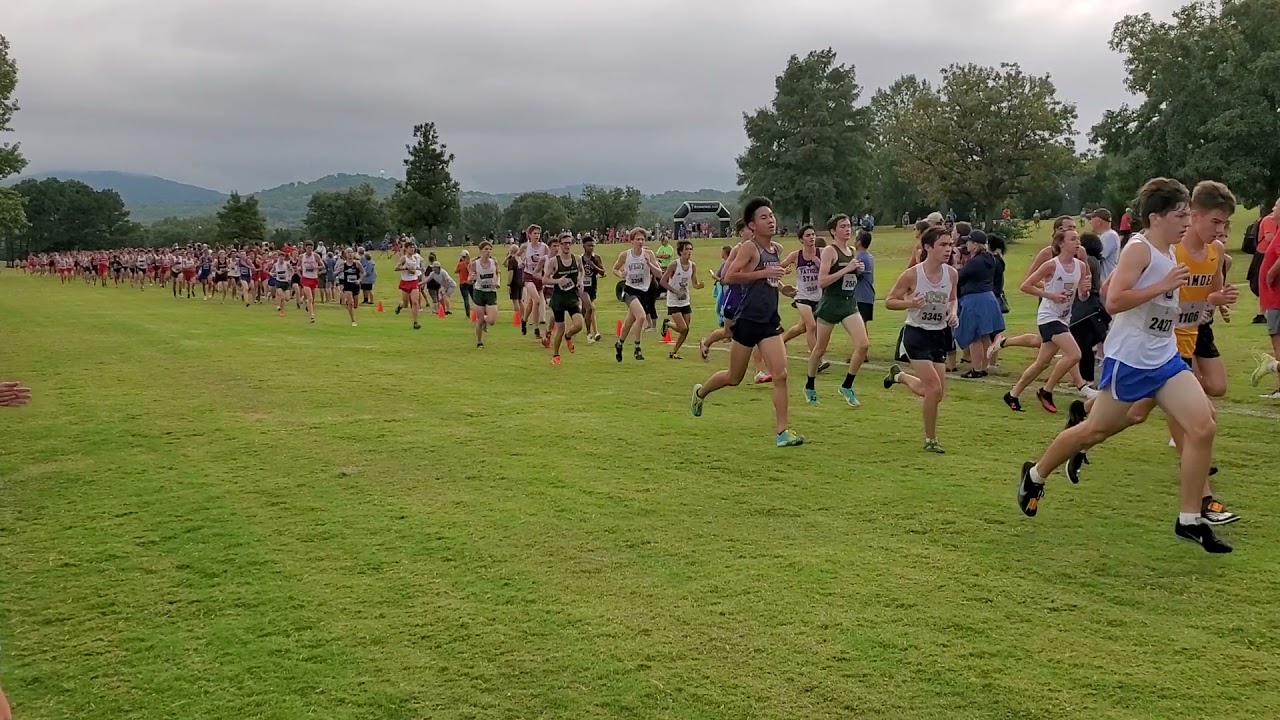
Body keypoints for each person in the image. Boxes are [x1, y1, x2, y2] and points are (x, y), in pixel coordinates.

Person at [1016, 177, 1231, 553]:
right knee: (1093, 431)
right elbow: (1113, 301)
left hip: (1164, 357)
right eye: (1180, 215)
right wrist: (1162, 284)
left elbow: (1158, 304)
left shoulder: (1169, 252)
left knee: (1203, 425)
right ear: (1156, 217)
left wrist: (1204, 299)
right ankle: (1035, 475)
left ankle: (1189, 520)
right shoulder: (1140, 249)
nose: (1186, 222)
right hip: (1130, 359)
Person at [690, 197, 805, 447]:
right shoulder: (749, 248)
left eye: (772, 216)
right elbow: (729, 277)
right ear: (752, 225)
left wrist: (783, 288)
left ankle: (782, 432)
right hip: (747, 320)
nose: (771, 220)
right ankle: (700, 393)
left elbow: (770, 281)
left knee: (781, 374)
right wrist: (764, 272)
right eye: (764, 217)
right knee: (734, 377)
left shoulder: (776, 249)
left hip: (768, 320)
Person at [883, 225, 957, 453]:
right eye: (943, 245)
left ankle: (901, 376)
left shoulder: (952, 274)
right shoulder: (912, 274)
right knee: (933, 388)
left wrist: (953, 312)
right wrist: (910, 303)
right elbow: (889, 301)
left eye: (950, 245)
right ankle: (930, 439)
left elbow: (953, 299)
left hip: (939, 334)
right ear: (928, 247)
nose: (948, 250)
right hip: (916, 334)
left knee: (935, 393)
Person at [1004, 227, 1090, 413]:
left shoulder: (1081, 266)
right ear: (1061, 243)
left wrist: (1085, 290)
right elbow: (1025, 286)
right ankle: (1046, 391)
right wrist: (1049, 295)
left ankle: (1013, 394)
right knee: (1075, 354)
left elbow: (1082, 297)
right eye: (1073, 239)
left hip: (1064, 317)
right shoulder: (1051, 265)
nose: (1077, 243)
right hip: (1048, 317)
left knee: (1042, 363)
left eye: (1078, 239)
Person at [805, 215, 870, 407]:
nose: (847, 229)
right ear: (834, 231)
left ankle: (847, 386)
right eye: (843, 226)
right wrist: (846, 269)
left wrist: (857, 271)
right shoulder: (829, 251)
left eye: (849, 226)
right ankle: (809, 385)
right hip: (831, 305)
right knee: (820, 349)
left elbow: (849, 279)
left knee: (863, 344)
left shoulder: (851, 250)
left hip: (849, 304)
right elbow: (822, 281)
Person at [954, 230, 1004, 378]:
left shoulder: (974, 262)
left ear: (975, 245)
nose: (966, 244)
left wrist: (957, 262)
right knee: (985, 336)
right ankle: (984, 367)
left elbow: (958, 277)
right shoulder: (990, 259)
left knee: (974, 336)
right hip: (987, 297)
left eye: (969, 242)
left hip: (975, 299)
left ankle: (976, 369)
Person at [612, 228, 663, 362]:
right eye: (638, 239)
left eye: (642, 239)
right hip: (630, 290)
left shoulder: (649, 254)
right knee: (641, 317)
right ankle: (637, 347)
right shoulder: (625, 255)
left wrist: (650, 263)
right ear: (632, 241)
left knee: (629, 322)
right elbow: (615, 268)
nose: (640, 242)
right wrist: (620, 274)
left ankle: (619, 344)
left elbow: (659, 274)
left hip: (644, 291)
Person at [541, 232, 586, 364]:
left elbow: (581, 270)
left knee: (578, 325)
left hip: (572, 297)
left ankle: (569, 336)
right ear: (559, 245)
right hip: (559, 299)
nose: (567, 245)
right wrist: (558, 281)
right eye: (564, 243)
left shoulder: (576, 258)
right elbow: (544, 280)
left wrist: (580, 281)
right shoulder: (554, 262)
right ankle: (555, 355)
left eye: (569, 243)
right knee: (560, 328)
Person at [1250, 201, 1280, 393]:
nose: (1272, 211)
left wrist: (1270, 274)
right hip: (1273, 299)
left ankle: (1272, 369)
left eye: (1276, 207)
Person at [660, 240, 703, 359]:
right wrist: (675, 292)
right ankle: (667, 323)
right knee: (683, 327)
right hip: (673, 300)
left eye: (690, 249)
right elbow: (663, 281)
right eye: (686, 249)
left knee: (686, 330)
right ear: (680, 252)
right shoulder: (674, 265)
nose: (689, 252)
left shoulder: (692, 266)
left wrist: (699, 286)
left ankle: (674, 352)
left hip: (685, 300)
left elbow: (694, 283)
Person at [519, 226, 550, 339]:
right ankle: (536, 328)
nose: (537, 235)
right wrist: (521, 261)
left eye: (538, 233)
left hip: (539, 277)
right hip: (528, 276)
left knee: (532, 303)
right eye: (535, 233)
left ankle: (524, 320)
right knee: (537, 300)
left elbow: (550, 258)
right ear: (529, 235)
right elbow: (517, 255)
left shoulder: (544, 247)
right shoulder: (525, 246)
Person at [470, 241, 500, 348]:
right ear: (481, 251)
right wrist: (471, 278)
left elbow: (497, 273)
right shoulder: (475, 264)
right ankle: (479, 342)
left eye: (490, 249)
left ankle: (486, 320)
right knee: (480, 320)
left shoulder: (494, 262)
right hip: (479, 292)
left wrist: (497, 282)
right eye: (486, 249)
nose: (488, 251)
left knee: (491, 320)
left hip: (491, 292)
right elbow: (470, 278)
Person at [579, 237, 606, 342]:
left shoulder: (596, 258)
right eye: (589, 246)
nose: (591, 248)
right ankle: (593, 332)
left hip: (592, 287)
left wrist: (593, 265)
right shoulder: (579, 258)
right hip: (581, 287)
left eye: (593, 246)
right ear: (584, 246)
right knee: (591, 308)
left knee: (587, 310)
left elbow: (603, 272)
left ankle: (579, 322)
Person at [395, 242, 424, 330]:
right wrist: (406, 268)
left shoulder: (415, 258)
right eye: (411, 248)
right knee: (405, 304)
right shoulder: (404, 258)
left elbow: (415, 268)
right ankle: (400, 306)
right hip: (405, 282)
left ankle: (415, 322)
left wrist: (417, 270)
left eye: (413, 248)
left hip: (414, 281)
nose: (413, 249)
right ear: (406, 249)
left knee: (415, 302)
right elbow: (396, 268)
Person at [1090, 209, 1121, 281]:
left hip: (1106, 279)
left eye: (1091, 220)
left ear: (1099, 221)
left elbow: (1098, 256)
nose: (1090, 223)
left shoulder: (1110, 235)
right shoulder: (1104, 235)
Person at [337, 248, 365, 326]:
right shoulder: (343, 264)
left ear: (353, 254)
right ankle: (353, 320)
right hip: (347, 285)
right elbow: (335, 273)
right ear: (345, 254)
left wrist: (359, 280)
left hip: (355, 285)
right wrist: (339, 271)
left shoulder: (357, 263)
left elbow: (363, 272)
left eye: (351, 252)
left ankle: (348, 304)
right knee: (351, 302)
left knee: (355, 305)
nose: (350, 254)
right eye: (348, 252)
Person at [297, 242, 322, 323]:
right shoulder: (302, 256)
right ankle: (312, 316)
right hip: (306, 279)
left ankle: (309, 306)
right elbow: (298, 267)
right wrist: (300, 273)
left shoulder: (315, 256)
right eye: (308, 248)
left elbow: (323, 266)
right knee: (310, 298)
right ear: (305, 248)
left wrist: (316, 267)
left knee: (312, 300)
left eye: (311, 248)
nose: (310, 250)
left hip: (314, 278)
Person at [456, 250, 473, 319]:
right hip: (470, 282)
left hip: (463, 283)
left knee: (466, 300)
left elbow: (456, 271)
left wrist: (459, 262)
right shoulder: (470, 263)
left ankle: (468, 315)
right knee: (474, 299)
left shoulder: (460, 264)